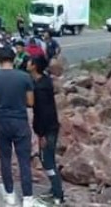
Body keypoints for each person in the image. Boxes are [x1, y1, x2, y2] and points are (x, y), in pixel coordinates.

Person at [0, 46, 40, 207]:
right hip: (20, 121)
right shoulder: (24, 77)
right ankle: (28, 197)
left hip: (2, 121)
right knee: (24, 160)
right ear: (14, 59)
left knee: (5, 159)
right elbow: (31, 102)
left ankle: (10, 194)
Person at [28, 56, 64, 205]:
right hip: (50, 127)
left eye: (30, 62)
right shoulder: (43, 82)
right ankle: (55, 189)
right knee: (48, 160)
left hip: (47, 129)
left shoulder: (40, 88)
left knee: (47, 161)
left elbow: (43, 112)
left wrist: (42, 134)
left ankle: (57, 195)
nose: (27, 63)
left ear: (34, 66)